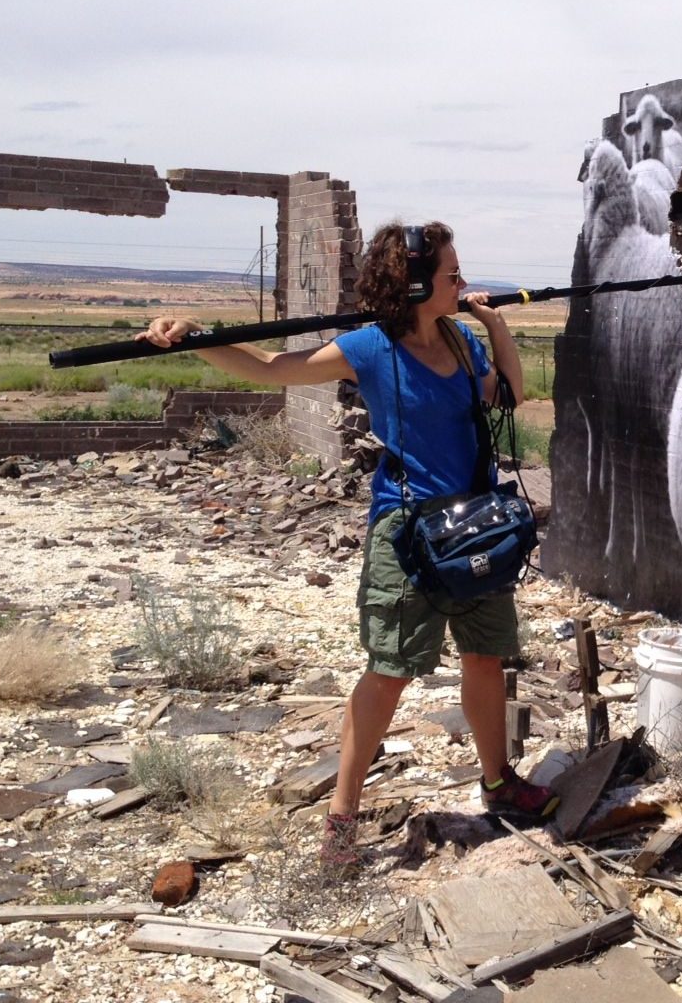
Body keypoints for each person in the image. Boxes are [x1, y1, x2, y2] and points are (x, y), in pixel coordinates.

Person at [140, 220, 557, 873]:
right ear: (417, 283)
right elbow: (274, 368)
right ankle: (342, 819)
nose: (463, 282)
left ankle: (498, 780)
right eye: (452, 275)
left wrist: (495, 327)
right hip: (408, 534)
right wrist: (197, 339)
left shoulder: (460, 338)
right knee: (389, 672)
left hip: (474, 524)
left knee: (484, 660)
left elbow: (510, 392)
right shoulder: (370, 349)